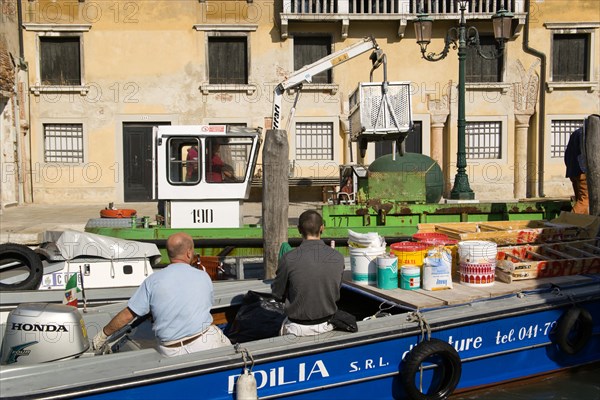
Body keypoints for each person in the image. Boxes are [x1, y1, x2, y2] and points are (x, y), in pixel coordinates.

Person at [92, 233, 231, 357]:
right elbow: (206, 304)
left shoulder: (152, 281)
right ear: (189, 253)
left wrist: (103, 334)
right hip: (203, 343)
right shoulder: (203, 277)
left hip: (170, 350)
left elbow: (128, 315)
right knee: (225, 343)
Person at [271, 210, 345, 337]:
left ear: (299, 229)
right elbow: (336, 290)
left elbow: (277, 294)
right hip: (326, 324)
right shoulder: (338, 257)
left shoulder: (288, 258)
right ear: (322, 228)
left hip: (296, 328)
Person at [564, 126, 589, 214]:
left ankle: (582, 225)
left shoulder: (576, 133)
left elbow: (567, 153)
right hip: (583, 171)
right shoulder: (588, 133)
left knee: (580, 201)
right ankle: (569, 222)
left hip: (573, 171)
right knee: (585, 201)